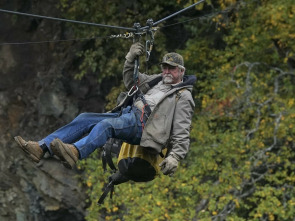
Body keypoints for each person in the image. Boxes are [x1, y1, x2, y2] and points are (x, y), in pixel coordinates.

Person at [14, 42, 196, 176]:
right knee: (85, 118)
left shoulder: (183, 96)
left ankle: (75, 152)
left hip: (146, 127)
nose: (167, 72)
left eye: (172, 69)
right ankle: (41, 147)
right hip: (128, 114)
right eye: (165, 68)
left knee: (106, 126)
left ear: (181, 71)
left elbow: (182, 130)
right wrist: (130, 58)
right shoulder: (157, 80)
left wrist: (175, 157)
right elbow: (131, 81)